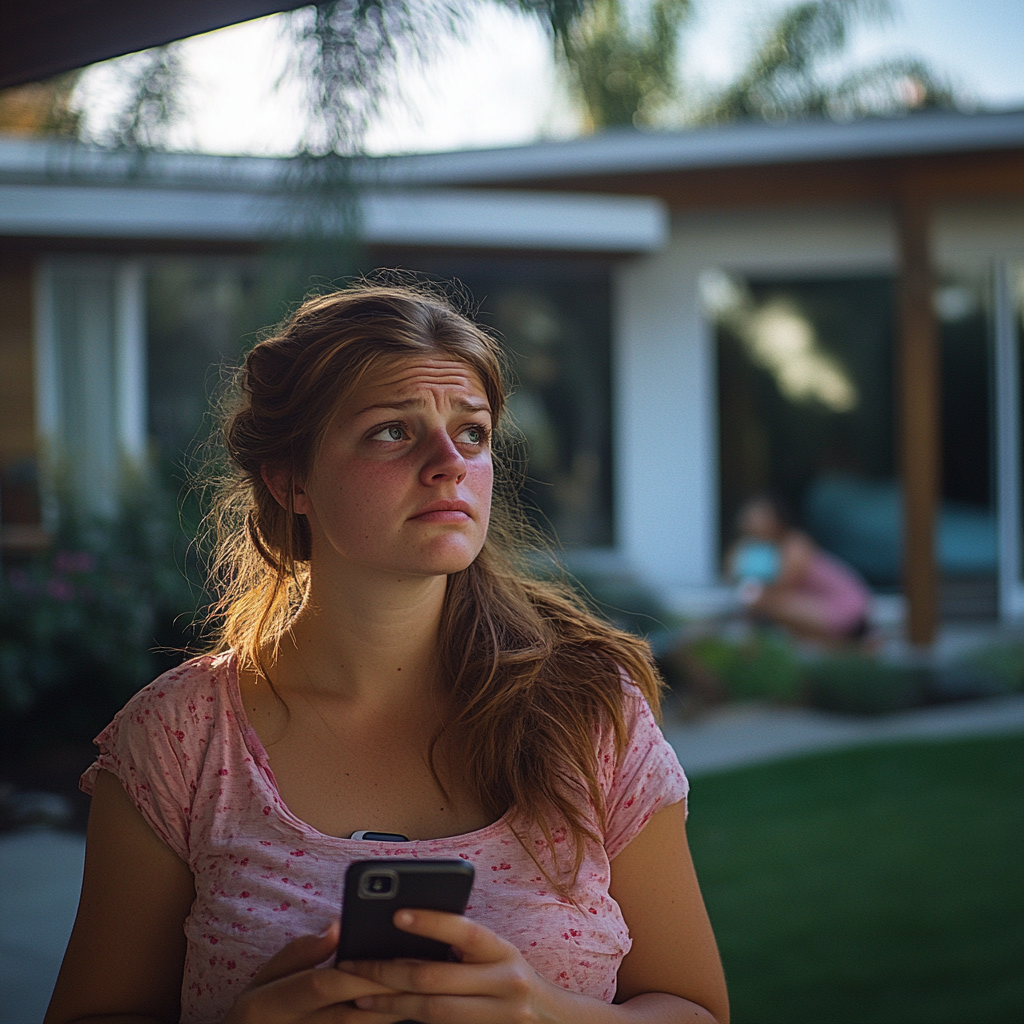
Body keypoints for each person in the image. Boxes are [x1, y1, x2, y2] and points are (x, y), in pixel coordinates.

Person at [45, 282, 728, 1024]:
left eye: (471, 433)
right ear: (291, 480)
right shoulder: (180, 742)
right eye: (391, 432)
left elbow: (696, 1009)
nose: (449, 463)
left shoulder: (589, 715)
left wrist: (546, 1013)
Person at [728, 495, 872, 645]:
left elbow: (780, 586)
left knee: (764, 599)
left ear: (775, 518)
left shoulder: (795, 545)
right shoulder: (759, 547)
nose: (750, 521)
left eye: (757, 515)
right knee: (759, 598)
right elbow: (733, 576)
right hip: (819, 605)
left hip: (847, 610)